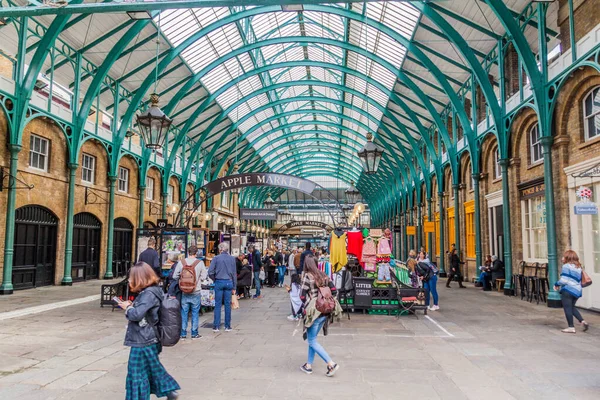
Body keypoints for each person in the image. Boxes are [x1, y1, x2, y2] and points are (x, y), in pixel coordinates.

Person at [117, 262, 180, 400]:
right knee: (151, 370)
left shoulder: (148, 294)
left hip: (143, 339)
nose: (129, 280)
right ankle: (169, 390)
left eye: (131, 277)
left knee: (136, 374)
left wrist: (127, 308)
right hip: (148, 338)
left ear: (139, 278)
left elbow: (136, 315)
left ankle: (166, 389)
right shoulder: (153, 291)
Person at [300, 255, 340, 377]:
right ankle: (308, 365)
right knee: (313, 339)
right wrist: (325, 300)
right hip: (325, 312)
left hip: (314, 313)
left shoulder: (307, 276)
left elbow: (301, 296)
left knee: (312, 340)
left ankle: (331, 363)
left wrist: (312, 300)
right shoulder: (323, 275)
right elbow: (334, 290)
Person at [171, 245, 207, 340]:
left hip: (184, 291)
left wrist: (182, 280)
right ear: (196, 253)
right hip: (196, 290)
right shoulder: (200, 263)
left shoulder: (181, 262)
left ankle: (183, 333)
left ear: (188, 252)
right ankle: (194, 333)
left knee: (184, 312)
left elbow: (174, 276)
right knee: (195, 312)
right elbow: (204, 277)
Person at [554, 250, 589, 333]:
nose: (562, 258)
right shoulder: (578, 267)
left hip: (568, 290)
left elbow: (564, 280)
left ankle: (571, 327)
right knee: (572, 307)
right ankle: (582, 321)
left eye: (564, 256)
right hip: (577, 291)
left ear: (567, 257)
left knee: (567, 308)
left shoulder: (566, 266)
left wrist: (556, 284)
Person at [208, 242, 237, 332]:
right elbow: (234, 274)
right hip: (229, 282)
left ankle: (216, 326)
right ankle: (227, 326)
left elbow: (210, 272)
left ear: (220, 249)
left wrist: (215, 279)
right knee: (228, 304)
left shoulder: (216, 258)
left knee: (218, 304)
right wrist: (234, 287)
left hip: (219, 281)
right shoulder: (232, 259)